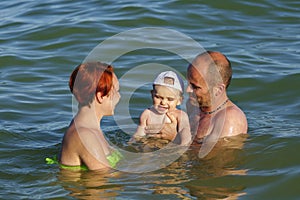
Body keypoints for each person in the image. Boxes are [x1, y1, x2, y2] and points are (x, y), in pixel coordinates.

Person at [147, 51, 248, 147]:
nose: (188, 90)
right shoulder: (193, 104)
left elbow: (214, 162)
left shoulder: (230, 120)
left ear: (218, 89)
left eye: (195, 87)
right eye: (188, 83)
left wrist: (175, 138)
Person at [58, 62, 122, 170]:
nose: (119, 97)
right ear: (100, 96)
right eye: (116, 91)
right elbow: (104, 178)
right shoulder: (85, 136)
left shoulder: (87, 127)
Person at [131, 71, 191, 147]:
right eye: (158, 97)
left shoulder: (180, 115)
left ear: (179, 100)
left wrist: (183, 146)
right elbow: (139, 133)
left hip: (170, 147)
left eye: (170, 99)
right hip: (150, 145)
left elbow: (185, 130)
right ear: (152, 95)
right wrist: (132, 143)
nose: (163, 102)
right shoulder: (147, 114)